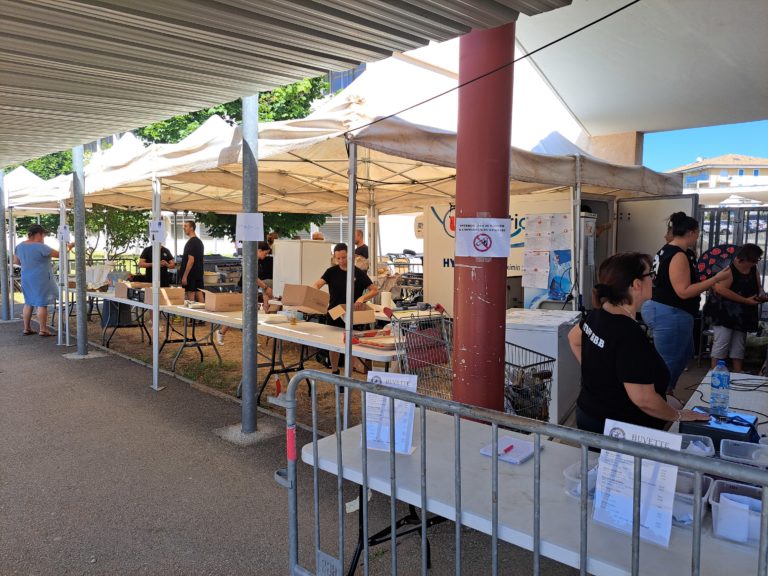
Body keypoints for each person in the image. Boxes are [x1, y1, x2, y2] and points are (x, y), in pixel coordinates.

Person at [568, 253, 710, 433]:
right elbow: (644, 400)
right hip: (616, 426)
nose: (653, 280)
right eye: (651, 274)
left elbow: (573, 339)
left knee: (676, 403)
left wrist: (600, 376)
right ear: (636, 284)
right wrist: (679, 415)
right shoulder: (628, 334)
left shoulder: (598, 313)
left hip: (588, 412)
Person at [641, 212, 731, 393]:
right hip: (670, 312)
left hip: (669, 310)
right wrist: (715, 279)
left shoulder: (673, 251)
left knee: (683, 354)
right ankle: (662, 397)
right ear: (691, 232)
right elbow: (683, 291)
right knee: (671, 361)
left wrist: (707, 283)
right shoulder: (677, 255)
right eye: (698, 233)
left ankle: (666, 394)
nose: (698, 236)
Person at [314, 243, 378, 373]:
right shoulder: (331, 272)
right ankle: (335, 370)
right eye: (338, 258)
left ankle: (349, 373)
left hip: (352, 314)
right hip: (334, 313)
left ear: (350, 256)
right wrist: (314, 296)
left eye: (344, 257)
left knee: (351, 344)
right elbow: (317, 285)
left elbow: (374, 290)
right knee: (333, 344)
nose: (341, 261)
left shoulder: (358, 273)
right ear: (334, 258)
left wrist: (362, 298)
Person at [706, 243, 765, 373]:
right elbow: (721, 290)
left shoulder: (753, 268)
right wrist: (745, 300)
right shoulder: (728, 268)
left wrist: (761, 295)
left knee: (739, 344)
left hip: (742, 313)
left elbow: (759, 287)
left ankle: (738, 372)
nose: (756, 263)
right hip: (724, 312)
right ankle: (715, 372)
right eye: (754, 260)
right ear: (745, 258)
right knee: (722, 342)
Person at [13, 224, 74, 337]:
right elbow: (60, 254)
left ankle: (26, 328)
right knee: (42, 303)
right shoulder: (41, 247)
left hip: (26, 277)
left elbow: (16, 261)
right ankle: (43, 329)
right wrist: (70, 246)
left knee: (28, 302)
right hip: (40, 277)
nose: (44, 237)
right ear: (39, 234)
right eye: (43, 235)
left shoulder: (19, 246)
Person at [216, 242, 273, 344]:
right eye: (265, 253)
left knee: (249, 314)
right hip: (243, 289)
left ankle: (250, 338)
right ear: (259, 250)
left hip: (250, 290)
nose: (266, 255)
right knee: (237, 314)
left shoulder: (256, 261)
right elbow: (254, 277)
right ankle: (221, 332)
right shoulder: (252, 260)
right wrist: (265, 287)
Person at [180, 221, 204, 302]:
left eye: (186, 226)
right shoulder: (199, 242)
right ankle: (204, 310)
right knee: (199, 294)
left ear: (192, 228)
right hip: (198, 274)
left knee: (191, 296)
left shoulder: (191, 242)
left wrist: (185, 276)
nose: (184, 228)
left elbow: (191, 260)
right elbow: (201, 259)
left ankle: (192, 311)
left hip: (191, 275)